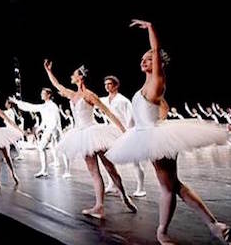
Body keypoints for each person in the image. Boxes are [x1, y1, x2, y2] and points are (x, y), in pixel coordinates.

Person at [105, 20, 231, 244]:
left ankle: (165, 232)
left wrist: (151, 27)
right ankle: (213, 226)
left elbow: (155, 49)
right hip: (146, 136)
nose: (144, 60)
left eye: (149, 58)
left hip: (155, 138)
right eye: (142, 59)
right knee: (173, 186)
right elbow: (152, 111)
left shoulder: (157, 80)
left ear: (158, 63)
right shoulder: (144, 87)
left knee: (169, 187)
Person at [44, 60, 136, 218]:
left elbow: (108, 113)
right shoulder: (72, 95)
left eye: (74, 74)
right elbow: (57, 85)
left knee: (110, 168)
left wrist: (124, 131)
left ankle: (124, 196)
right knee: (94, 172)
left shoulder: (89, 95)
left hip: (95, 133)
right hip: (80, 134)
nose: (71, 76)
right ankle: (99, 206)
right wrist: (48, 71)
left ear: (80, 77)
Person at [99, 75, 146, 197]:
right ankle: (112, 184)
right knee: (109, 159)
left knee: (135, 161)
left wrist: (128, 133)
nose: (107, 86)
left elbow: (131, 118)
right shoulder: (104, 100)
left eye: (109, 84)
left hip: (125, 131)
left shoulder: (123, 100)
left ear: (116, 85)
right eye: (105, 84)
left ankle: (141, 188)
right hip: (111, 132)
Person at [9, 88, 61, 178]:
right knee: (44, 148)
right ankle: (45, 170)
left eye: (43, 93)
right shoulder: (44, 106)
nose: (41, 95)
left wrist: (51, 133)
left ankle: (48, 169)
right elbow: (31, 107)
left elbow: (55, 120)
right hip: (49, 130)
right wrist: (17, 102)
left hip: (52, 130)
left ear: (48, 95)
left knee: (46, 148)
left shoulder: (53, 106)